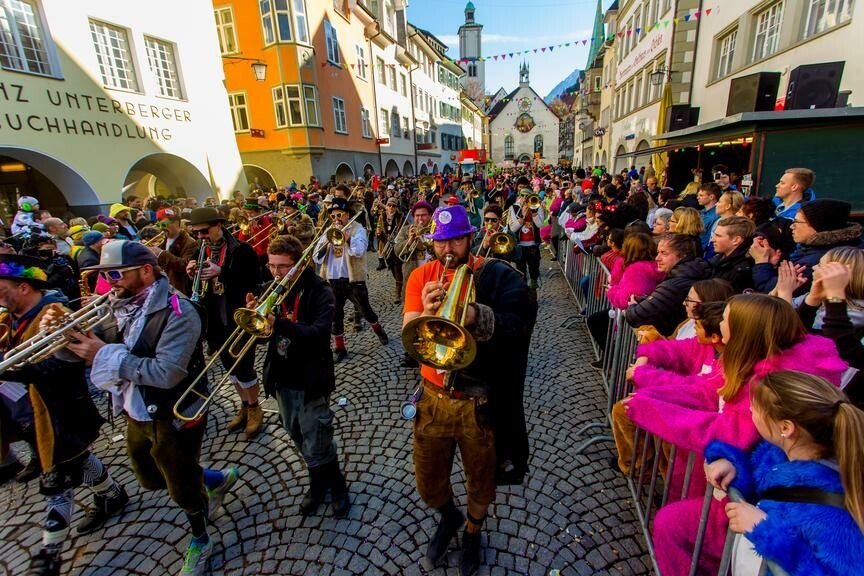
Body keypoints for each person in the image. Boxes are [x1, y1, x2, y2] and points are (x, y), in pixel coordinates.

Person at [628, 295, 847, 576]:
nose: (719, 321)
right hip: (746, 509)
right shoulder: (766, 381)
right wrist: (737, 467)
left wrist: (763, 528)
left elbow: (732, 429)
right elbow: (761, 466)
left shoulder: (773, 389)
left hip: (753, 528)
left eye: (725, 319)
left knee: (677, 527)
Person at [59, 240, 238, 576]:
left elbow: (167, 373)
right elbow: (87, 351)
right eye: (104, 275)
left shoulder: (179, 311)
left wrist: (104, 355)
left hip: (174, 412)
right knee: (150, 474)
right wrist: (65, 336)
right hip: (137, 409)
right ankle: (214, 479)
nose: (108, 282)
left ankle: (200, 539)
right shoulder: (118, 304)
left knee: (181, 486)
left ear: (145, 271)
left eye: (116, 274)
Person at [403, 205, 536, 576]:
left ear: (470, 238)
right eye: (440, 242)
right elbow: (411, 336)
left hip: (477, 402)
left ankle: (473, 532)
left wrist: (476, 315)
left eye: (456, 240)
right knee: (428, 481)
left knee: (481, 479)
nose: (447, 249)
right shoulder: (420, 276)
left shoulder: (494, 274)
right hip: (432, 396)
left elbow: (519, 322)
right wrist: (428, 312)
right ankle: (449, 516)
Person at [0, 255, 127, 576]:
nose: (0, 298)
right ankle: (112, 495)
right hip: (32, 413)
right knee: (79, 460)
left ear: (24, 287)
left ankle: (49, 556)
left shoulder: (55, 315)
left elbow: (68, 365)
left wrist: (18, 371)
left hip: (61, 413)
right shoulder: (12, 319)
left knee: (57, 483)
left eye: (2, 290)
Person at [704, 371, 864, 575]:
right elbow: (765, 487)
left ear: (786, 428)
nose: (750, 409)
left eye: (757, 408)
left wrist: (764, 529)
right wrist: (732, 464)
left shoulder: (833, 515)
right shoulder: (778, 454)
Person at [257, 235, 350, 518]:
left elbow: (318, 335)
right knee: (296, 434)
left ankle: (336, 486)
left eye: (282, 266)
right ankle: (318, 482)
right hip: (283, 378)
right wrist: (259, 323)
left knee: (318, 438)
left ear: (298, 264)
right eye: (271, 266)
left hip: (311, 379)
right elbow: (265, 339)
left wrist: (279, 324)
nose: (275, 273)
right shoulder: (274, 290)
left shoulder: (320, 291)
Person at [185, 208, 262, 438]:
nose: (201, 237)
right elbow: (197, 290)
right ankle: (244, 404)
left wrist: (222, 273)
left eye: (204, 231)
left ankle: (254, 407)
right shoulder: (201, 250)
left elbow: (254, 282)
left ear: (219, 226)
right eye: (197, 233)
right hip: (214, 320)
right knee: (229, 366)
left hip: (237, 317)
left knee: (244, 366)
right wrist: (192, 274)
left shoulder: (242, 250)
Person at [312, 197, 388, 363]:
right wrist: (326, 243)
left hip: (353, 281)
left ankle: (379, 330)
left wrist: (347, 239)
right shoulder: (328, 231)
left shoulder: (358, 229)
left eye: (339, 215)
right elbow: (316, 257)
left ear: (347, 214)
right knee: (335, 315)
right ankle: (340, 348)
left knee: (365, 310)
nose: (336, 219)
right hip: (332, 281)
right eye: (333, 216)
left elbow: (359, 251)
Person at [751, 199, 862, 295]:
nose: (791, 226)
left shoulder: (818, 261)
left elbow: (772, 291)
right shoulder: (821, 248)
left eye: (797, 222)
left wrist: (761, 262)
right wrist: (775, 262)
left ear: (818, 226)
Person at [624, 233, 712, 337]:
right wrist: (645, 300)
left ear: (683, 255)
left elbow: (635, 316)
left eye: (664, 253)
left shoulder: (674, 284)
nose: (657, 258)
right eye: (658, 252)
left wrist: (632, 305)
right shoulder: (694, 271)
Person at [148, 208, 199, 296]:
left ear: (176, 223)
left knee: (176, 305)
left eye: (164, 224)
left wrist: (162, 253)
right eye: (159, 225)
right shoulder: (161, 240)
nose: (161, 228)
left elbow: (186, 265)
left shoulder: (190, 242)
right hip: (163, 287)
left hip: (179, 290)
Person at [507, 188, 547, 289]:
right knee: (521, 271)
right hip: (519, 245)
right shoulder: (514, 208)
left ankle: (533, 286)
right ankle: (523, 290)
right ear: (519, 196)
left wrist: (534, 212)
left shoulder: (537, 206)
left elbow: (540, 224)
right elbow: (513, 228)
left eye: (527, 196)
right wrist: (522, 215)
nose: (524, 198)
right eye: (522, 195)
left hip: (533, 244)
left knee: (534, 269)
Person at [709, 216, 756, 292]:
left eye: (718, 236)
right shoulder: (721, 258)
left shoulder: (741, 271)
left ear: (736, 240)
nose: (712, 240)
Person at [696, 183, 722, 253]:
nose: (698, 197)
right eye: (698, 195)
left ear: (711, 197)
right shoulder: (701, 212)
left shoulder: (715, 216)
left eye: (701, 195)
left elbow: (706, 240)